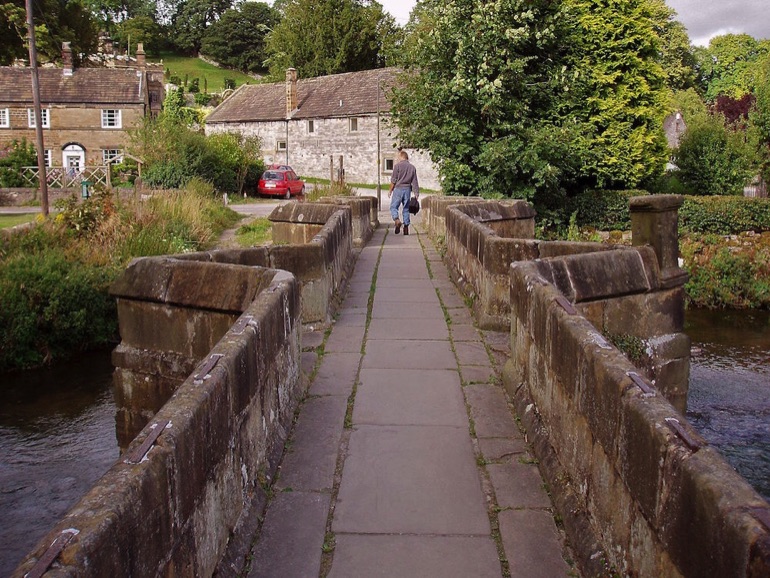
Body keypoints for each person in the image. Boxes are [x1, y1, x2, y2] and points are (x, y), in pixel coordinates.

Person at [388, 150, 419, 235]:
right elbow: (414, 182)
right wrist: (416, 193)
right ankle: (406, 228)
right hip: (407, 190)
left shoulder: (397, 166)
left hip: (398, 189)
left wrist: (390, 190)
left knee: (393, 207)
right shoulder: (412, 167)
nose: (398, 159)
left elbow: (393, 180)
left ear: (401, 156)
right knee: (406, 209)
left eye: (398, 157)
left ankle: (397, 220)